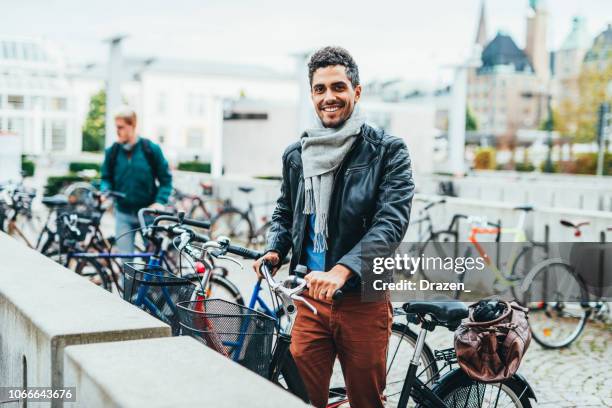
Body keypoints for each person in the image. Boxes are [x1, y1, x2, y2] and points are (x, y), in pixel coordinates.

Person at [253, 46, 414, 407]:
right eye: (320, 89)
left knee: (366, 401)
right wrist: (275, 247)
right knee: (301, 398)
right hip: (309, 298)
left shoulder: (387, 151)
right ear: (311, 95)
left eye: (338, 87)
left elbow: (391, 223)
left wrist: (343, 270)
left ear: (356, 92)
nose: (329, 97)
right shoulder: (297, 154)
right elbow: (285, 210)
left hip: (362, 298)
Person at [101, 107, 172, 254]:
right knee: (126, 264)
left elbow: (166, 180)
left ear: (132, 126)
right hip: (123, 215)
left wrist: (160, 201)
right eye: (116, 127)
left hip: (148, 215)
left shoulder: (151, 149)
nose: (117, 131)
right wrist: (105, 191)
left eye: (120, 127)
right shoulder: (112, 152)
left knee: (152, 263)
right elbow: (106, 178)